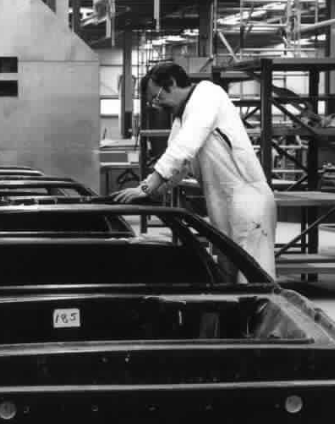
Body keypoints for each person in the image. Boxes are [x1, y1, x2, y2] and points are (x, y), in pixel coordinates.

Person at [112, 62, 277, 279]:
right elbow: (177, 163)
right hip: (222, 202)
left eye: (157, 97)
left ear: (172, 83)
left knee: (254, 277)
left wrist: (148, 186)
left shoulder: (208, 96)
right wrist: (151, 192)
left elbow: (184, 147)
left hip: (248, 200)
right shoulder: (183, 117)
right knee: (227, 270)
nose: (157, 105)